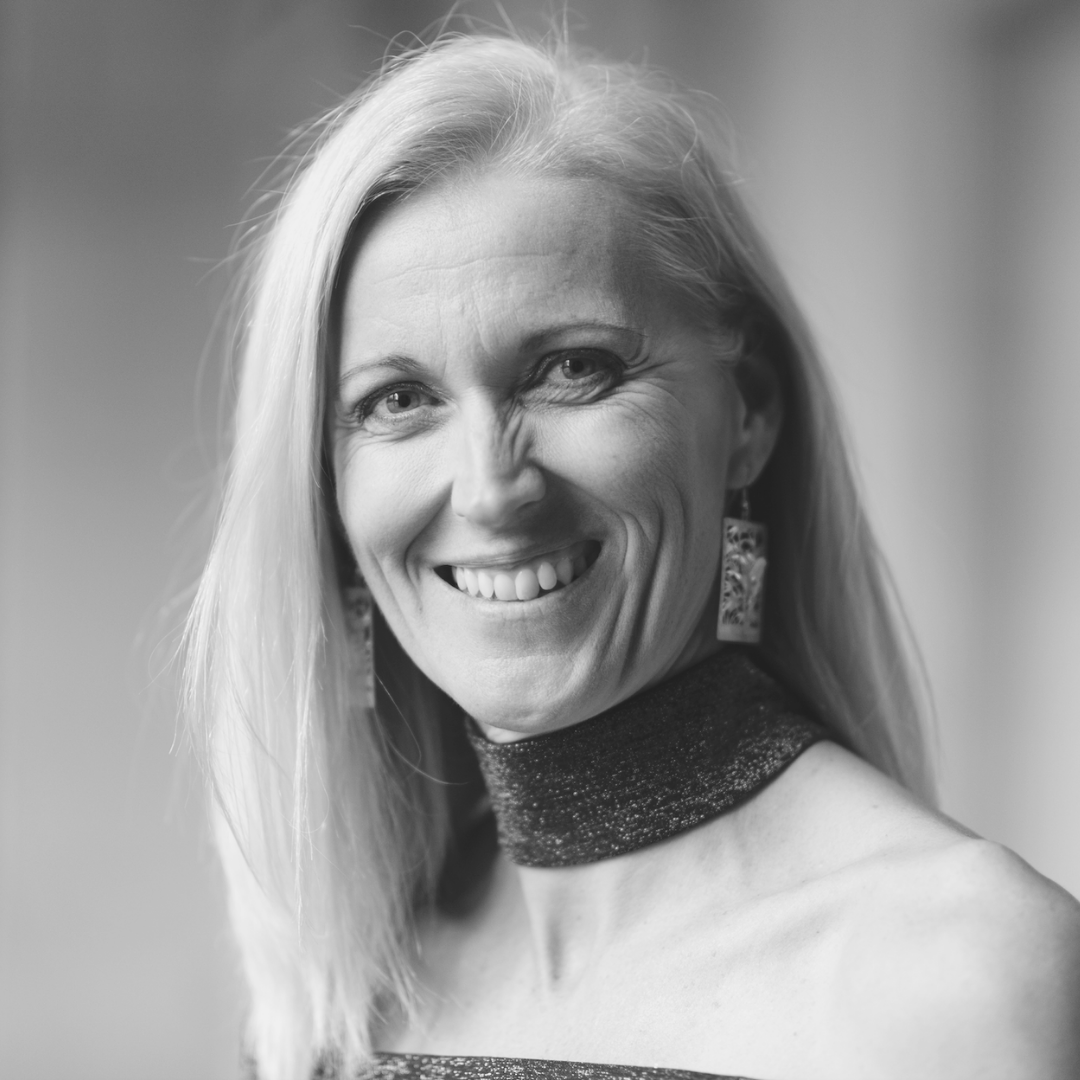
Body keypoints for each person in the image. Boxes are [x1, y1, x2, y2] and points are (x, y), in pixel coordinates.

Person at [183, 32, 1080, 1080]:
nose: (490, 490)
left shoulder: (957, 973)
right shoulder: (344, 975)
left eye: (571, 369)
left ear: (748, 414)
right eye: (398, 399)